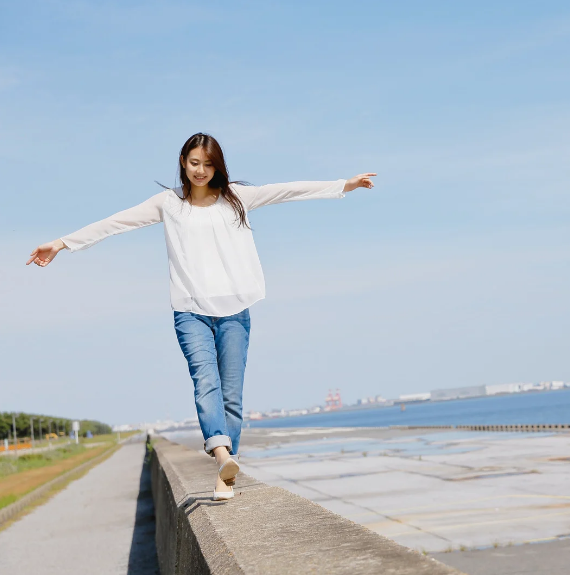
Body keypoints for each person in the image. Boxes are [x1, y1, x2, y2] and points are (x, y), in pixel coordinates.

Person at [27, 132, 376, 500]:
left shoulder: (236, 198)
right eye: (195, 163)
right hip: (190, 311)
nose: (201, 170)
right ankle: (223, 454)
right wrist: (62, 243)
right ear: (183, 162)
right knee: (205, 382)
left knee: (232, 396)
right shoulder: (168, 204)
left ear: (217, 166)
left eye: (208, 164)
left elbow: (288, 190)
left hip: (235, 311)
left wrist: (344, 185)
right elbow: (117, 222)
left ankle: (226, 475)